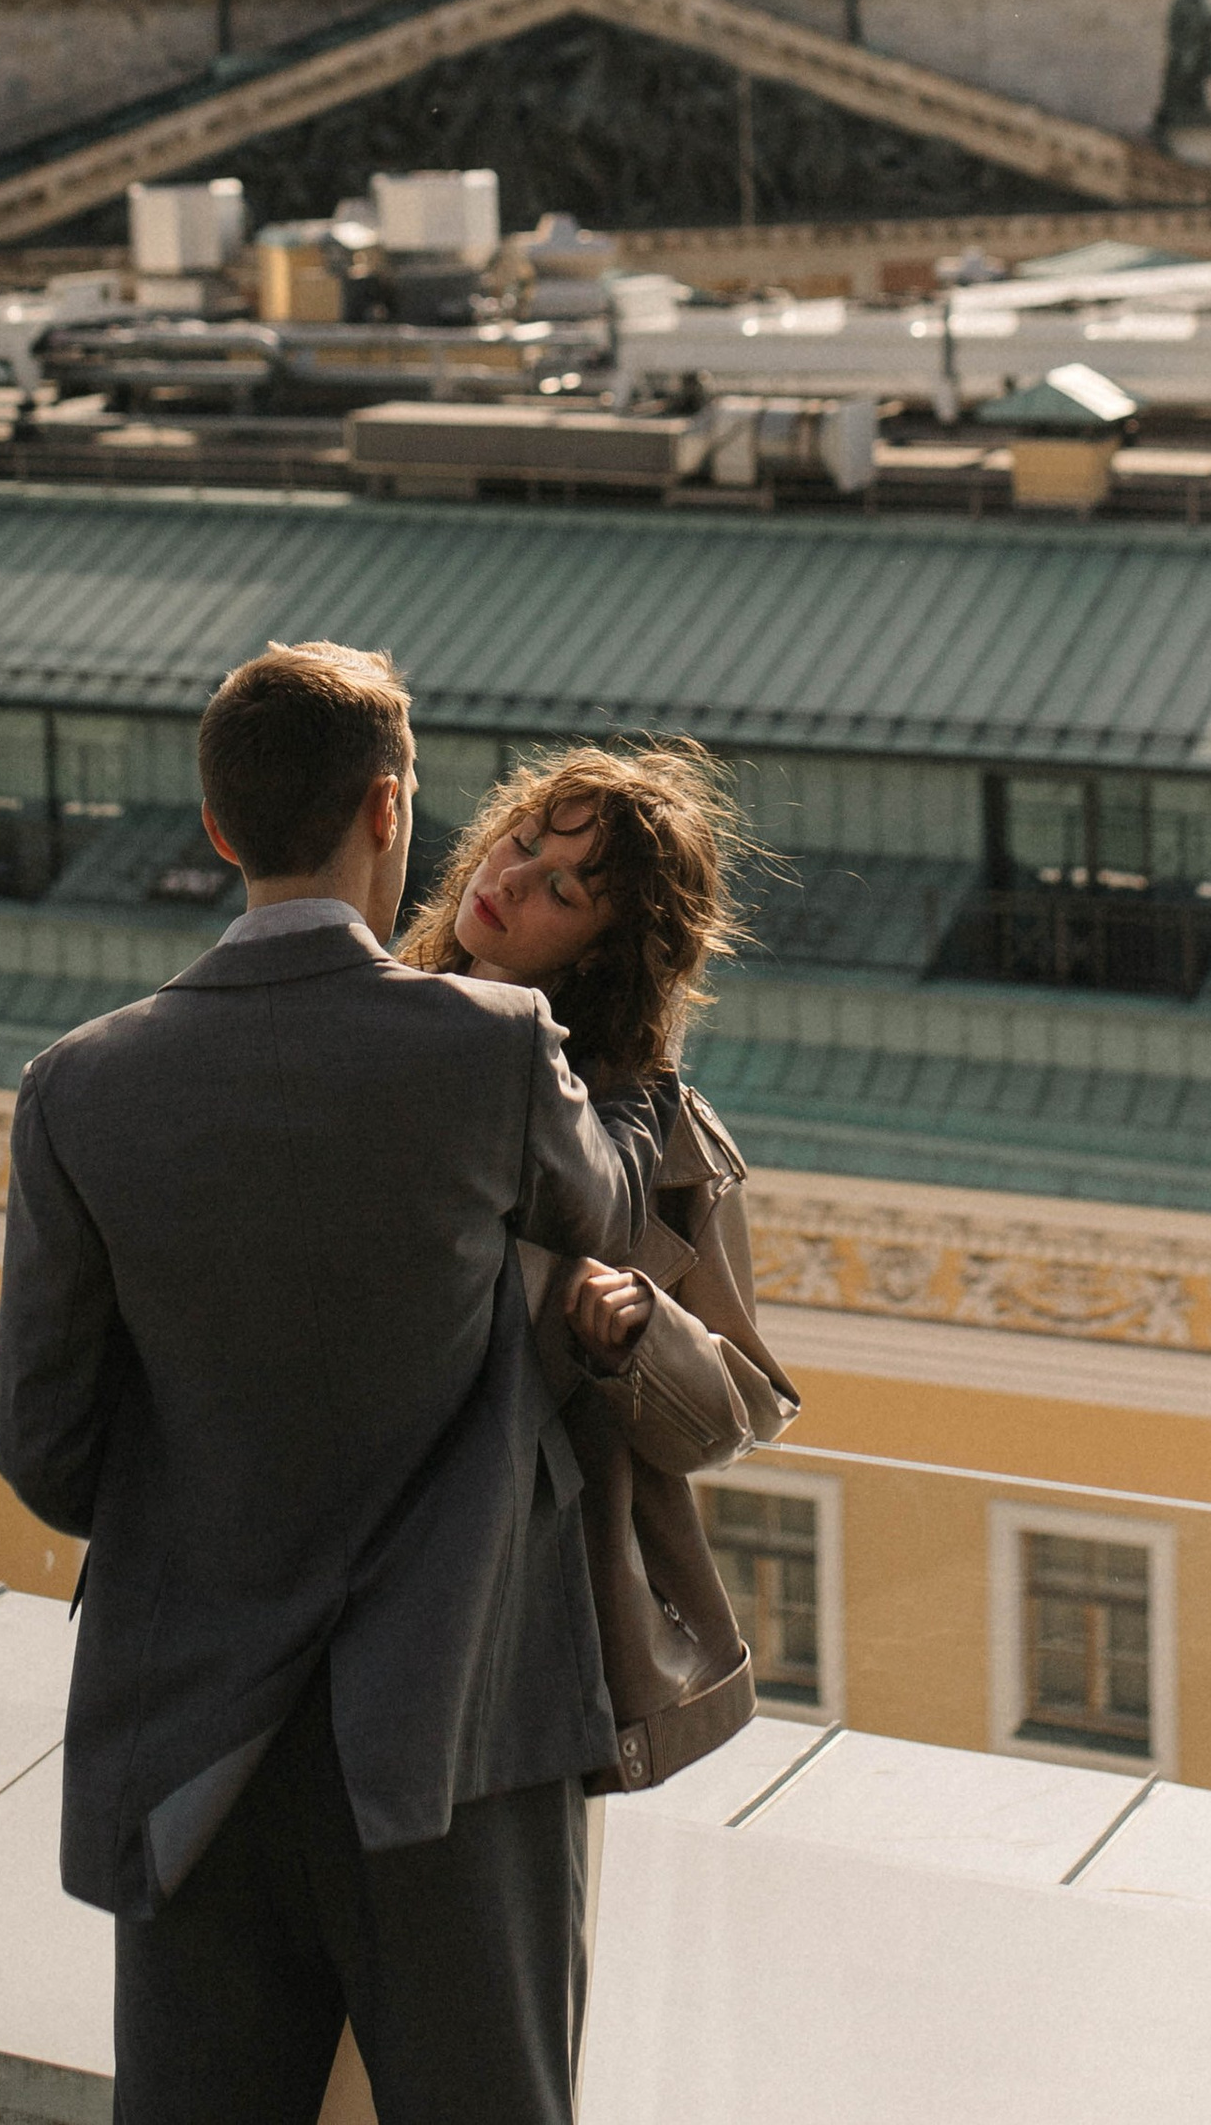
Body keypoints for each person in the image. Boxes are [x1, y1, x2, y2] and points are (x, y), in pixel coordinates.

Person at [0, 642, 680, 2125]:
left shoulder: (78, 1087)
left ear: (221, 830)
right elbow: (612, 1214)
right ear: (390, 809)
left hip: (186, 1748)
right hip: (454, 1737)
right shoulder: (494, 1051)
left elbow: (39, 1442)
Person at [397, 741, 800, 1794]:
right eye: (519, 842)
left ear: (604, 955)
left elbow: (734, 1411)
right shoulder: (367, 1019)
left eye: (562, 887)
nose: (510, 877)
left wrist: (637, 1334)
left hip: (530, 1616)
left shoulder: (661, 1139)